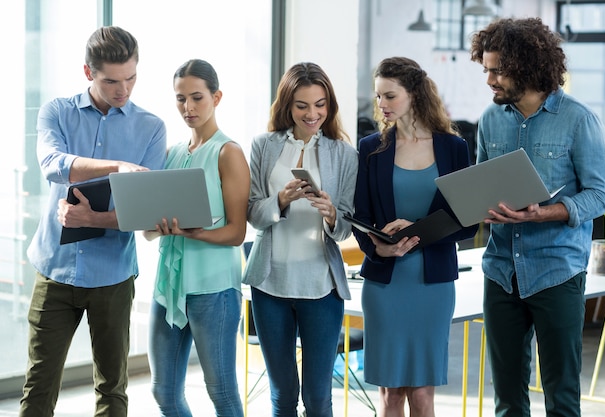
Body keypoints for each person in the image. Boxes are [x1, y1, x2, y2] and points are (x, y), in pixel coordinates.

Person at [469, 18, 605, 417]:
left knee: (561, 397)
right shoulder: (490, 119)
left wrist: (542, 213)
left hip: (557, 271)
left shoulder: (579, 120)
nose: (490, 80)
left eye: (497, 70)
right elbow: (483, 184)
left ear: (527, 66)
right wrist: (476, 206)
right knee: (508, 401)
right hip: (501, 272)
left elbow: (601, 195)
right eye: (486, 70)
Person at [21, 26, 167, 417]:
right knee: (38, 386)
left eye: (131, 78)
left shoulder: (151, 128)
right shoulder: (57, 112)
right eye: (111, 81)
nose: (124, 89)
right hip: (54, 271)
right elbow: (52, 165)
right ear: (89, 73)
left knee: (113, 390)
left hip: (113, 277)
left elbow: (146, 212)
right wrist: (117, 166)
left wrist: (92, 217)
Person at [352, 56, 478, 417]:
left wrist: (420, 227)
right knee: (391, 393)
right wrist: (376, 245)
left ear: (415, 94)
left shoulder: (453, 148)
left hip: (432, 283)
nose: (382, 105)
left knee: (423, 394)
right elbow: (360, 216)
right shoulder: (371, 148)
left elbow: (466, 222)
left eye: (389, 96)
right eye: (378, 97)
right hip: (386, 283)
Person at [243, 62, 358, 417]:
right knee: (282, 396)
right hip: (269, 285)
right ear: (287, 106)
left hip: (320, 288)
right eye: (302, 105)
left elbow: (345, 228)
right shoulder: (264, 146)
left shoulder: (344, 154)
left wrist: (331, 214)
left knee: (319, 397)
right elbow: (252, 214)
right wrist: (280, 201)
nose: (313, 114)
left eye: (320, 104)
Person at [143, 59, 249, 417]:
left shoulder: (228, 152)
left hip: (213, 290)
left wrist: (195, 231)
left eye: (197, 98)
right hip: (169, 287)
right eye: (180, 99)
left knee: (221, 392)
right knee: (164, 393)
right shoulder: (171, 153)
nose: (188, 108)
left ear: (216, 97)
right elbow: (147, 228)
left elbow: (237, 233)